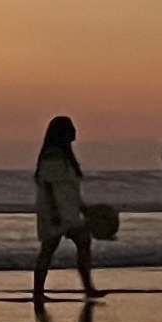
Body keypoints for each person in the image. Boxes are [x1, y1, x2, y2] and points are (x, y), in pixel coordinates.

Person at [32, 116, 101, 302]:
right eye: (71, 129)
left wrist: (82, 207)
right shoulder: (53, 155)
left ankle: (87, 287)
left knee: (81, 243)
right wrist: (54, 213)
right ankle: (38, 292)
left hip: (68, 210)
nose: (75, 132)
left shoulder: (64, 156)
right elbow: (48, 187)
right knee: (49, 249)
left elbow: (69, 188)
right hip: (56, 211)